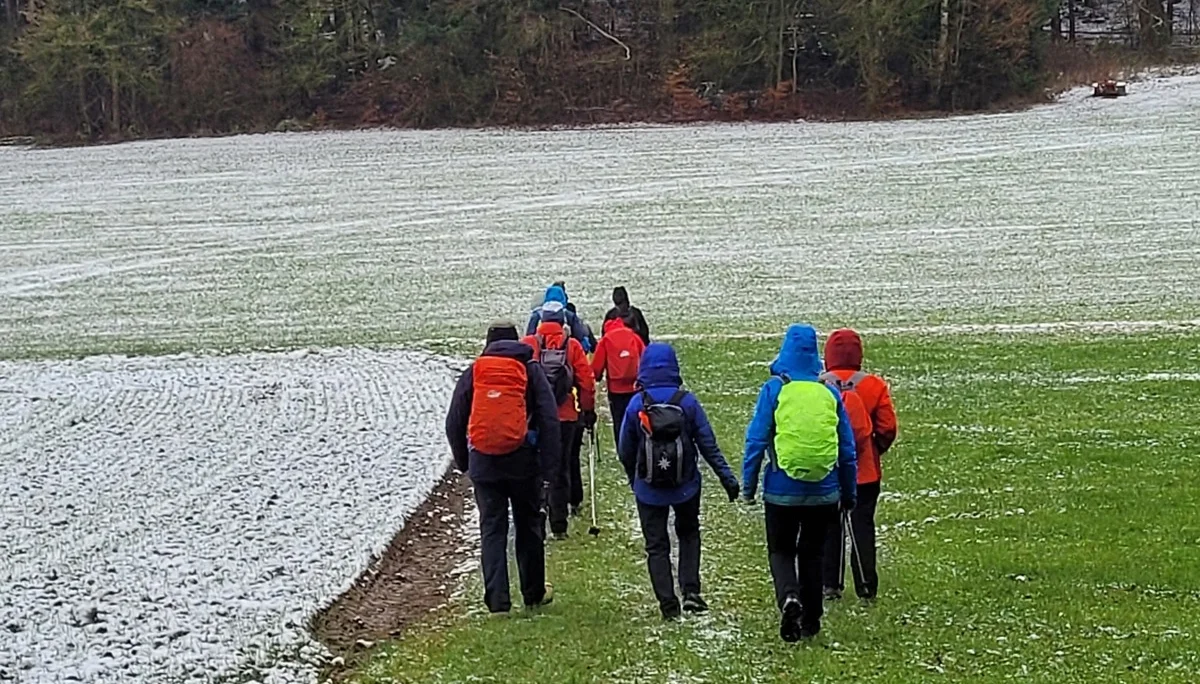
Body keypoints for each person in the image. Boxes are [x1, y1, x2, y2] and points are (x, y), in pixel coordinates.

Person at [742, 324, 856, 642]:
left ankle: (789, 597)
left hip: (781, 491)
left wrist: (749, 486)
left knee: (780, 550)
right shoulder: (829, 392)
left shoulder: (775, 389)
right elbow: (847, 450)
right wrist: (848, 493)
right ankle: (811, 620)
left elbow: (756, 440)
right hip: (824, 491)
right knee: (813, 553)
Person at [445, 321, 562, 615]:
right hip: (523, 462)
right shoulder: (530, 370)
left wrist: (465, 462)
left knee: (492, 529)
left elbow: (454, 420)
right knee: (528, 525)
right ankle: (533, 594)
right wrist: (550, 469)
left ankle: (498, 602)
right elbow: (549, 419)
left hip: (484, 463)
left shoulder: (476, 371)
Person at [618, 343, 740, 620]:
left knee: (656, 545)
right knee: (688, 534)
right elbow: (708, 444)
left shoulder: (637, 404)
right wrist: (727, 478)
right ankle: (691, 591)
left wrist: (634, 479)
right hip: (685, 485)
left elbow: (625, 448)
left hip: (648, 488)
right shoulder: (687, 402)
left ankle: (668, 604)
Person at [820, 328, 898, 601]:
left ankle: (830, 584)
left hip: (829, 469)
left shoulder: (819, 385)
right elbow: (887, 427)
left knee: (830, 526)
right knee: (862, 525)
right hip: (865, 470)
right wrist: (875, 449)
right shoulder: (874, 385)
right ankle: (866, 584)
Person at [523, 302, 596, 538]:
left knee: (535, 468)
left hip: (536, 418)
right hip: (565, 417)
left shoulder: (529, 344)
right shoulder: (572, 345)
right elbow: (586, 382)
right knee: (561, 468)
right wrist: (587, 411)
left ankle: (536, 518)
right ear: (562, 321)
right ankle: (559, 525)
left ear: (542, 320)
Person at [592, 315, 646, 446]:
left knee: (619, 421)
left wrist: (597, 377)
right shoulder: (634, 337)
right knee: (637, 418)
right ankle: (639, 446)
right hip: (635, 387)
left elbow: (596, 368)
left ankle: (622, 448)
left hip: (616, 390)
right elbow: (645, 357)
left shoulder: (606, 340)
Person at [526, 283, 592, 352]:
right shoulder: (569, 315)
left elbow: (528, 340)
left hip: (541, 356)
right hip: (566, 356)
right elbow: (581, 339)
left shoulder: (536, 316)